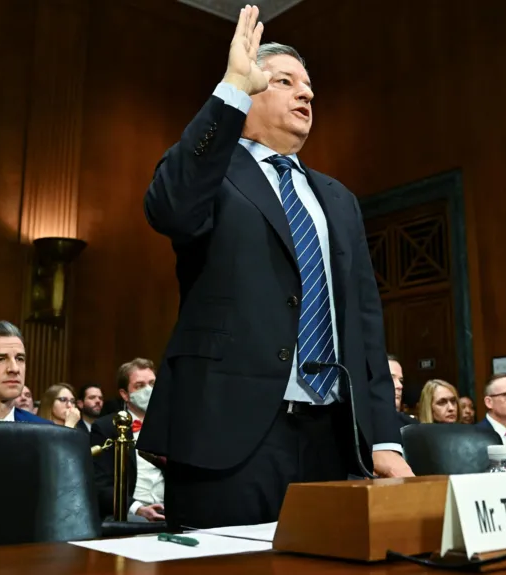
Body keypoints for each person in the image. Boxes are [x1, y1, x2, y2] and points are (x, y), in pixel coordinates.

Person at [139, 5, 411, 529]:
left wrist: (382, 437)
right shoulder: (213, 171)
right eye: (284, 81)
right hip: (226, 433)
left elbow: (365, 326)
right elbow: (170, 208)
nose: (306, 93)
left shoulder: (339, 198)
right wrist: (231, 89)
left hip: (330, 437)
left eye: (308, 85)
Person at [91, 359, 164, 522]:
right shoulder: (106, 427)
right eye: (140, 386)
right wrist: (137, 508)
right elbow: (100, 485)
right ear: (125, 394)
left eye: (152, 383)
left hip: (167, 511)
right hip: (130, 513)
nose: (148, 390)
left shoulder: (169, 425)